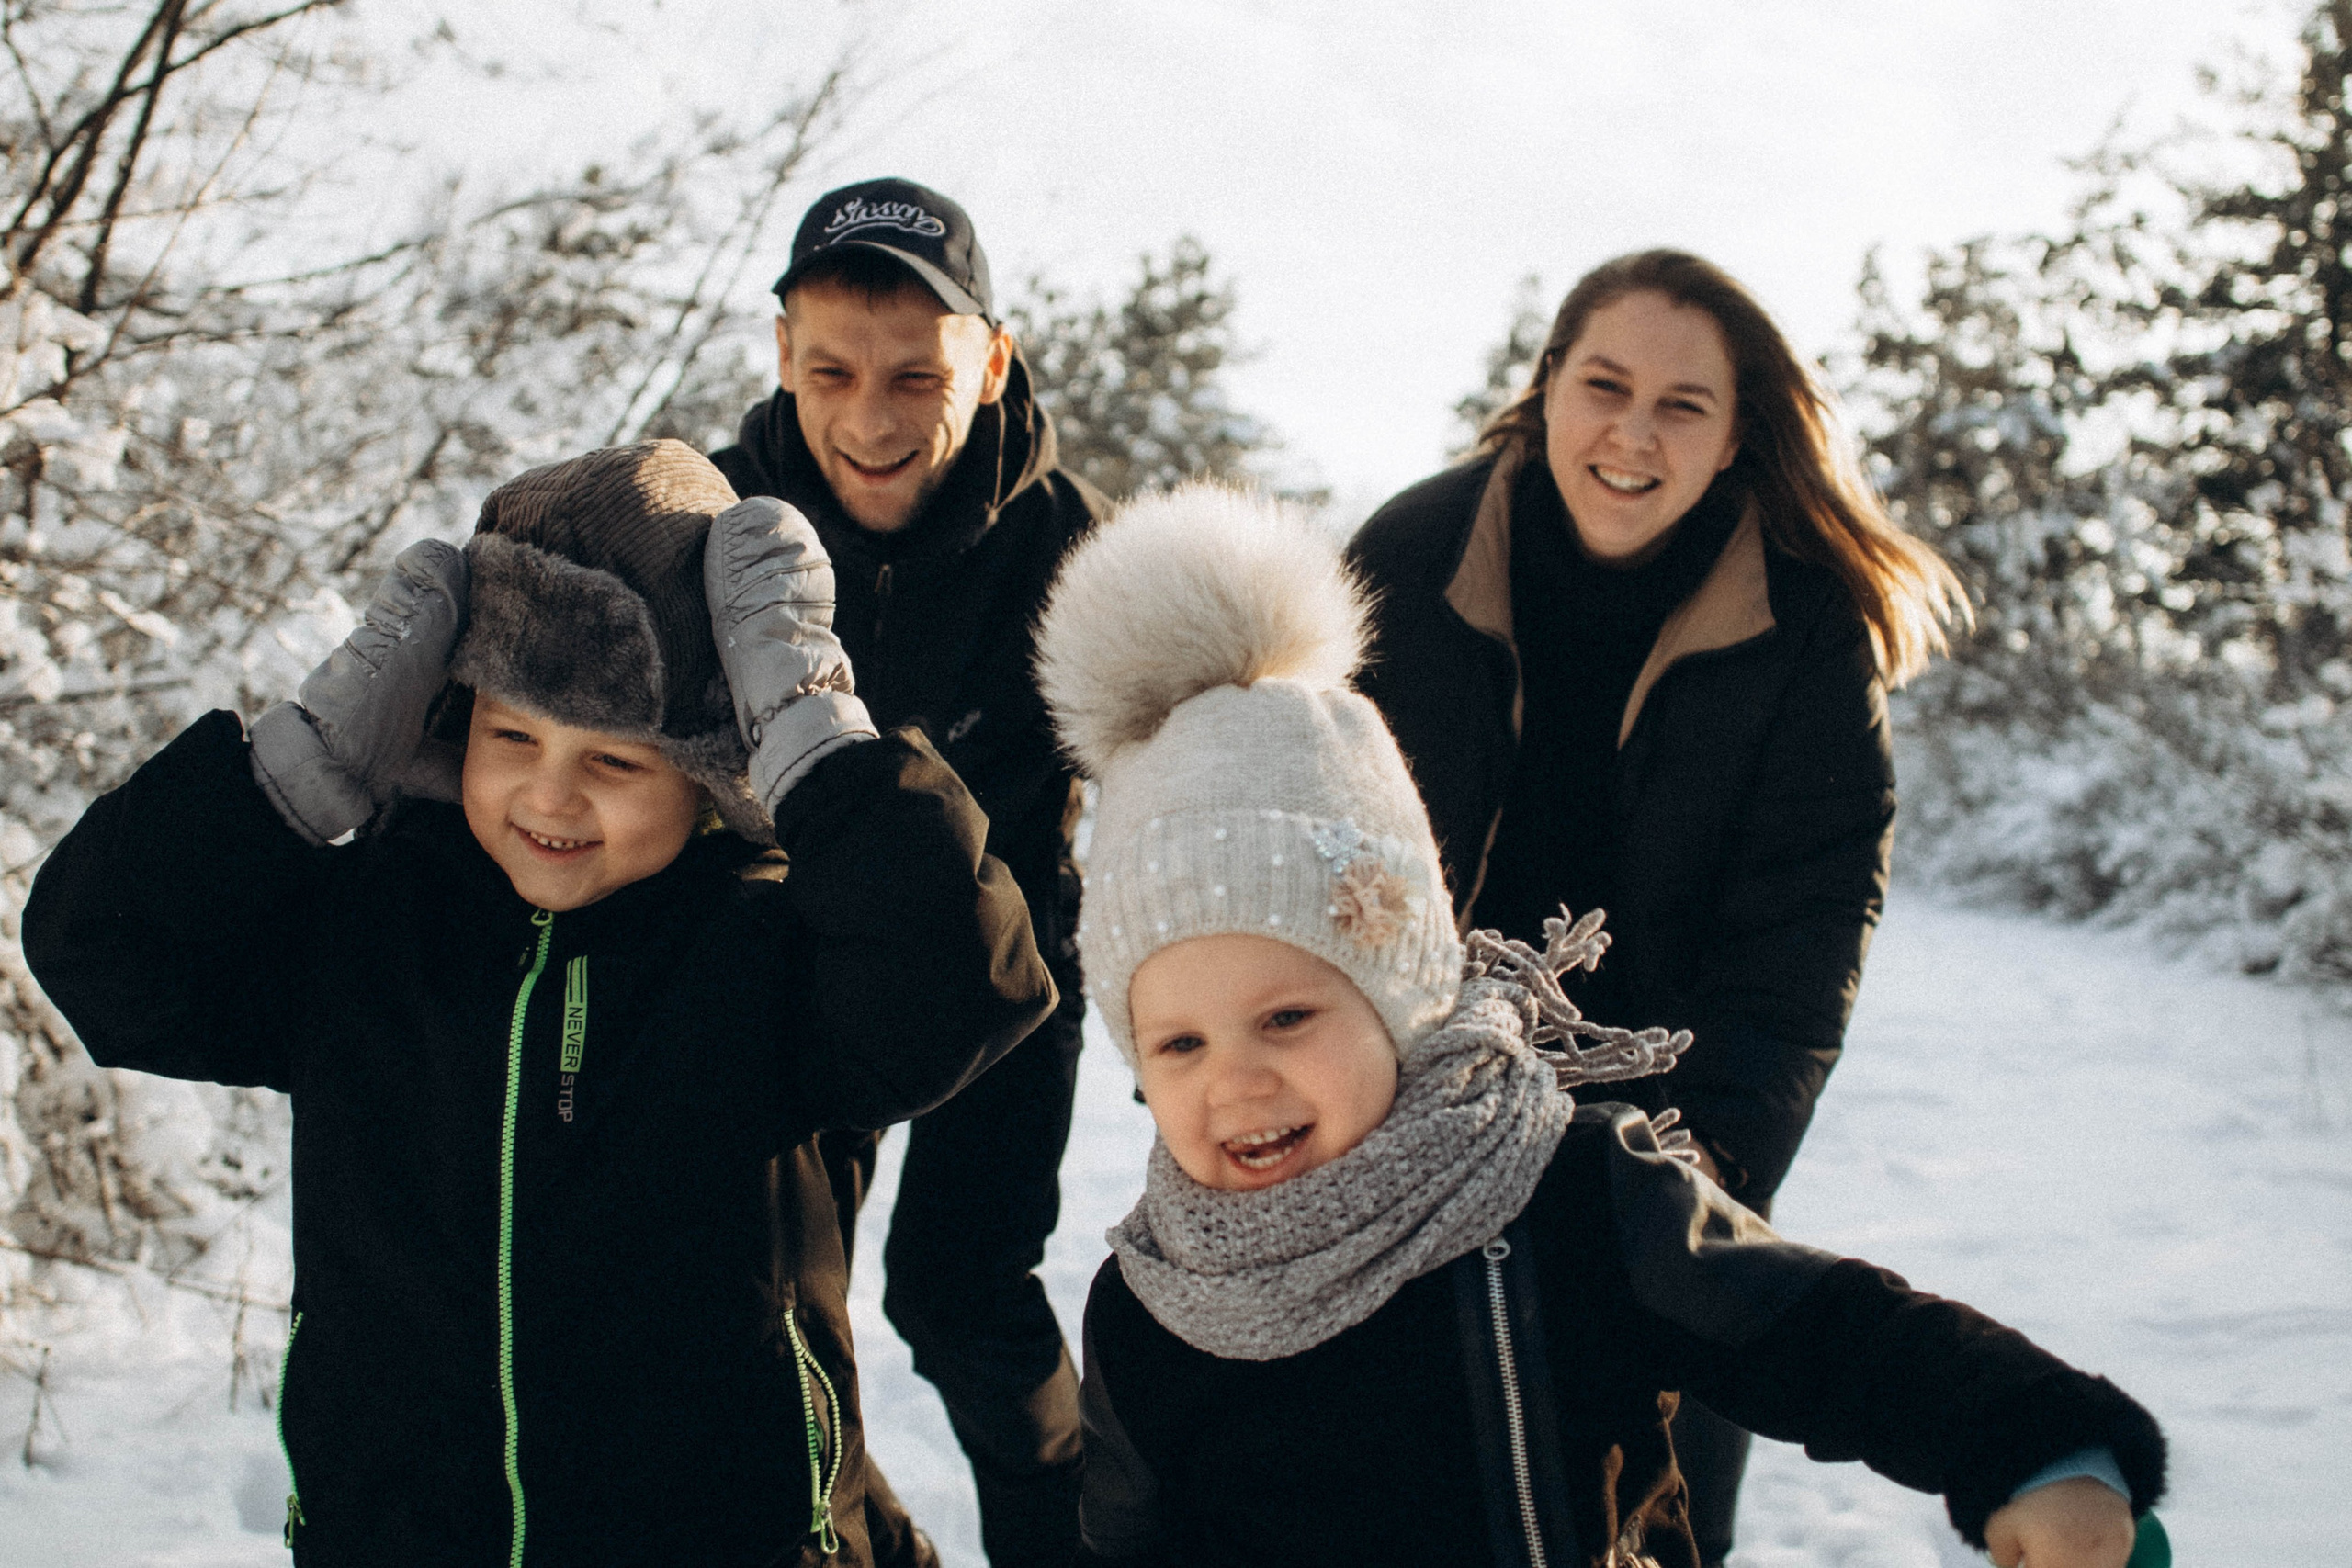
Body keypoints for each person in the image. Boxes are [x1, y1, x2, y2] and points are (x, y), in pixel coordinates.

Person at [1035, 486, 2161, 1568]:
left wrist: (2035, 1444)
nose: (1236, 1079)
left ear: (1400, 999)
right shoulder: (1153, 1302)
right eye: (1179, 1043)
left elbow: (1818, 1335)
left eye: (1286, 1016)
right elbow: (1123, 1543)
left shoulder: (1561, 1196)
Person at [21, 440, 1054, 1566]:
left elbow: (966, 990)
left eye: (615, 762)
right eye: (511, 736)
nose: (550, 796)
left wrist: (817, 743)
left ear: (709, 771)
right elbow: (101, 957)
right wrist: (294, 768)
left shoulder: (764, 949)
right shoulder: (369, 928)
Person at [1345, 249, 1972, 1562]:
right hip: (1407, 1105)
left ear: (1735, 434)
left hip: (1665, 1124)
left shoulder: (1803, 624)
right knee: (1405, 1492)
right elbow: (1302, 837)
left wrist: (1708, 1168)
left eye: (1682, 405)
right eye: (1605, 386)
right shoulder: (1407, 557)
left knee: (1658, 1509)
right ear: (1547, 387)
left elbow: (1804, 932)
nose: (1633, 434)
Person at [708, 175, 1105, 1566]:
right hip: (790, 972)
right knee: (766, 1310)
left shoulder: (1080, 554)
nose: (872, 418)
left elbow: (1192, 772)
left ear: (990, 364)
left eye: (916, 377)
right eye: (833, 371)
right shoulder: (708, 525)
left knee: (962, 1297)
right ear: (783, 355)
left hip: (1007, 972)